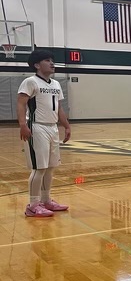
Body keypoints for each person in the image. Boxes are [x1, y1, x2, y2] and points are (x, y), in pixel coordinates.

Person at [16, 49, 71, 217]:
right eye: (47, 60)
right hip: (36, 127)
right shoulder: (30, 81)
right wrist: (23, 125)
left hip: (52, 128)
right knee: (39, 168)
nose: (52, 63)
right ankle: (33, 205)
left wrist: (66, 126)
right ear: (37, 65)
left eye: (52, 60)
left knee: (50, 167)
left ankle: (46, 201)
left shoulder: (55, 84)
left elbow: (59, 108)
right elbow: (20, 104)